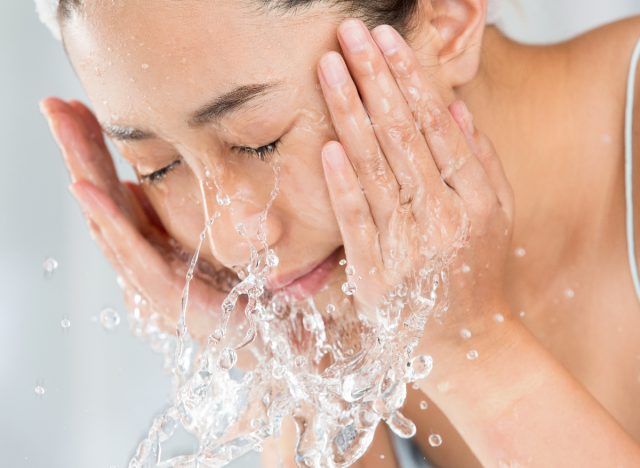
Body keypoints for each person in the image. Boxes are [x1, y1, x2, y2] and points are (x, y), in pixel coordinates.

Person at [38, 0, 640, 466]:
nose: (229, 242)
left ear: (445, 17)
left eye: (259, 140)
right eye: (158, 166)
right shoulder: (340, 297)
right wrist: (300, 377)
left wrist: (471, 344)